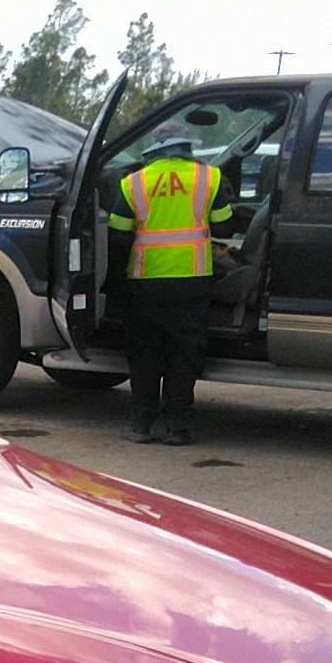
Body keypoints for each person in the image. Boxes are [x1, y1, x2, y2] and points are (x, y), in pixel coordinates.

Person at [106, 130, 235, 444]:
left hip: (145, 282)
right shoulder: (209, 178)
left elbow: (118, 235)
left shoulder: (134, 183)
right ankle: (177, 427)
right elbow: (225, 226)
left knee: (145, 354)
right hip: (193, 281)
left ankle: (141, 424)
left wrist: (114, 281)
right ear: (187, 148)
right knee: (184, 354)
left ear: (154, 151)